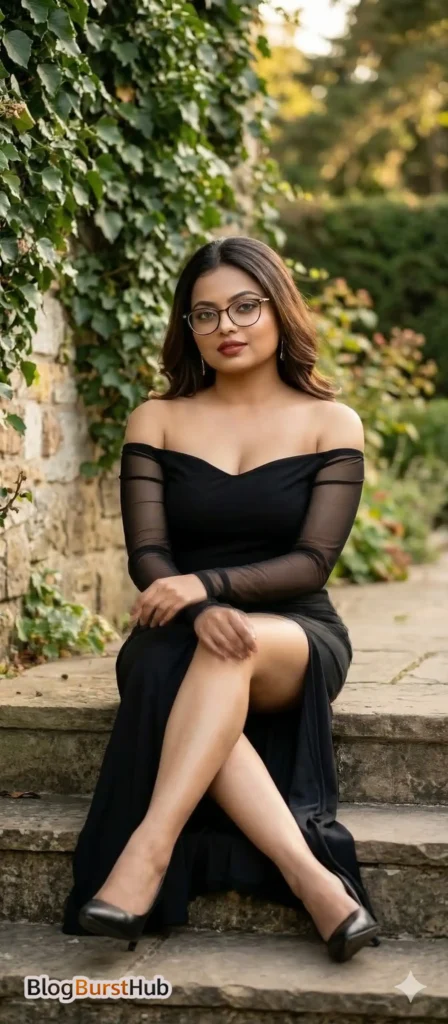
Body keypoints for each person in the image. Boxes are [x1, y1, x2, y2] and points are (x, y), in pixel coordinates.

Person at [62, 235, 381, 963]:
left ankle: (148, 849)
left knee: (233, 648)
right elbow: (150, 557)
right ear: (187, 327)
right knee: (202, 654)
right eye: (204, 314)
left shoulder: (331, 423)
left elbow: (311, 562)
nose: (225, 327)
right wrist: (202, 609)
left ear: (278, 310)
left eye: (244, 306)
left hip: (294, 629)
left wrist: (208, 587)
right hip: (179, 626)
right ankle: (315, 881)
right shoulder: (158, 418)